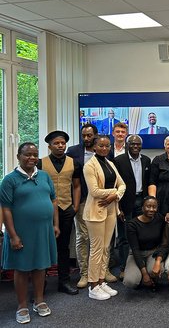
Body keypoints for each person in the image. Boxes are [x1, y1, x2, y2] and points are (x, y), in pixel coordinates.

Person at [1, 142, 60, 324]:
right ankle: (22, 305)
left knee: (41, 265)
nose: (32, 158)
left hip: (43, 230)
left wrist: (55, 224)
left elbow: (53, 200)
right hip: (21, 231)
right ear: (19, 156)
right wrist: (13, 235)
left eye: (35, 154)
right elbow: (6, 209)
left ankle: (39, 301)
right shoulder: (9, 180)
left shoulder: (44, 176)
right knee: (22, 267)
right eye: (27, 154)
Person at [67, 124, 117, 287]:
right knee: (83, 238)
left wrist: (113, 195)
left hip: (106, 202)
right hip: (82, 200)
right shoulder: (73, 152)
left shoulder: (107, 155)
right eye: (84, 135)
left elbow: (115, 179)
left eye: (89, 135)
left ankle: (103, 272)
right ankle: (85, 273)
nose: (86, 138)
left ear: (95, 136)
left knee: (104, 241)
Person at [37, 131, 81, 295]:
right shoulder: (40, 164)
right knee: (44, 247)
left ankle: (64, 281)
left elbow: (76, 186)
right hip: (45, 210)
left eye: (63, 143)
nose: (60, 146)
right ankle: (41, 283)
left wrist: (75, 207)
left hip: (66, 209)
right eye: (56, 143)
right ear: (49, 146)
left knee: (64, 247)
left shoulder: (74, 163)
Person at [83, 135, 126, 300]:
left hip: (110, 209)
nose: (104, 148)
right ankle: (93, 286)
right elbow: (94, 191)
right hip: (96, 210)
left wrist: (114, 195)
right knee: (97, 249)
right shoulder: (89, 166)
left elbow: (122, 184)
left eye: (107, 146)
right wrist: (114, 193)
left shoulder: (110, 164)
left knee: (106, 248)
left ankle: (101, 282)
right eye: (101, 145)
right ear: (94, 147)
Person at [113, 135, 151, 280]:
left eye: (138, 144)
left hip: (141, 202)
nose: (135, 146)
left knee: (141, 234)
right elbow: (115, 185)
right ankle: (123, 267)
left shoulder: (146, 160)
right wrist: (118, 207)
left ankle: (140, 265)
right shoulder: (119, 161)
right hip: (125, 203)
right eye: (132, 144)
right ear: (127, 145)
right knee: (124, 237)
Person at [123, 196, 165, 289]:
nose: (151, 209)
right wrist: (144, 274)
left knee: (157, 271)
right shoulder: (132, 225)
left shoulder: (159, 218)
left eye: (154, 207)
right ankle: (143, 276)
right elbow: (135, 249)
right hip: (137, 254)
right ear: (142, 208)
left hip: (153, 252)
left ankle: (151, 276)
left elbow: (164, 242)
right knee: (130, 282)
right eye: (148, 206)